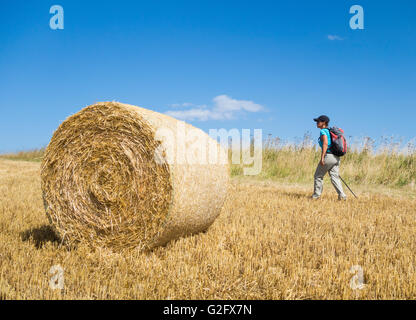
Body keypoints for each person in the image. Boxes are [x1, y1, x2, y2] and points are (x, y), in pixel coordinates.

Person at [311, 115, 347, 200]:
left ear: (324, 123)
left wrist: (322, 157)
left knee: (318, 176)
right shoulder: (330, 131)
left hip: (329, 156)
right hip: (336, 157)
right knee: (335, 176)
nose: (317, 123)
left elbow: (325, 144)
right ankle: (342, 196)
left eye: (318, 121)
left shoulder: (323, 131)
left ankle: (316, 196)